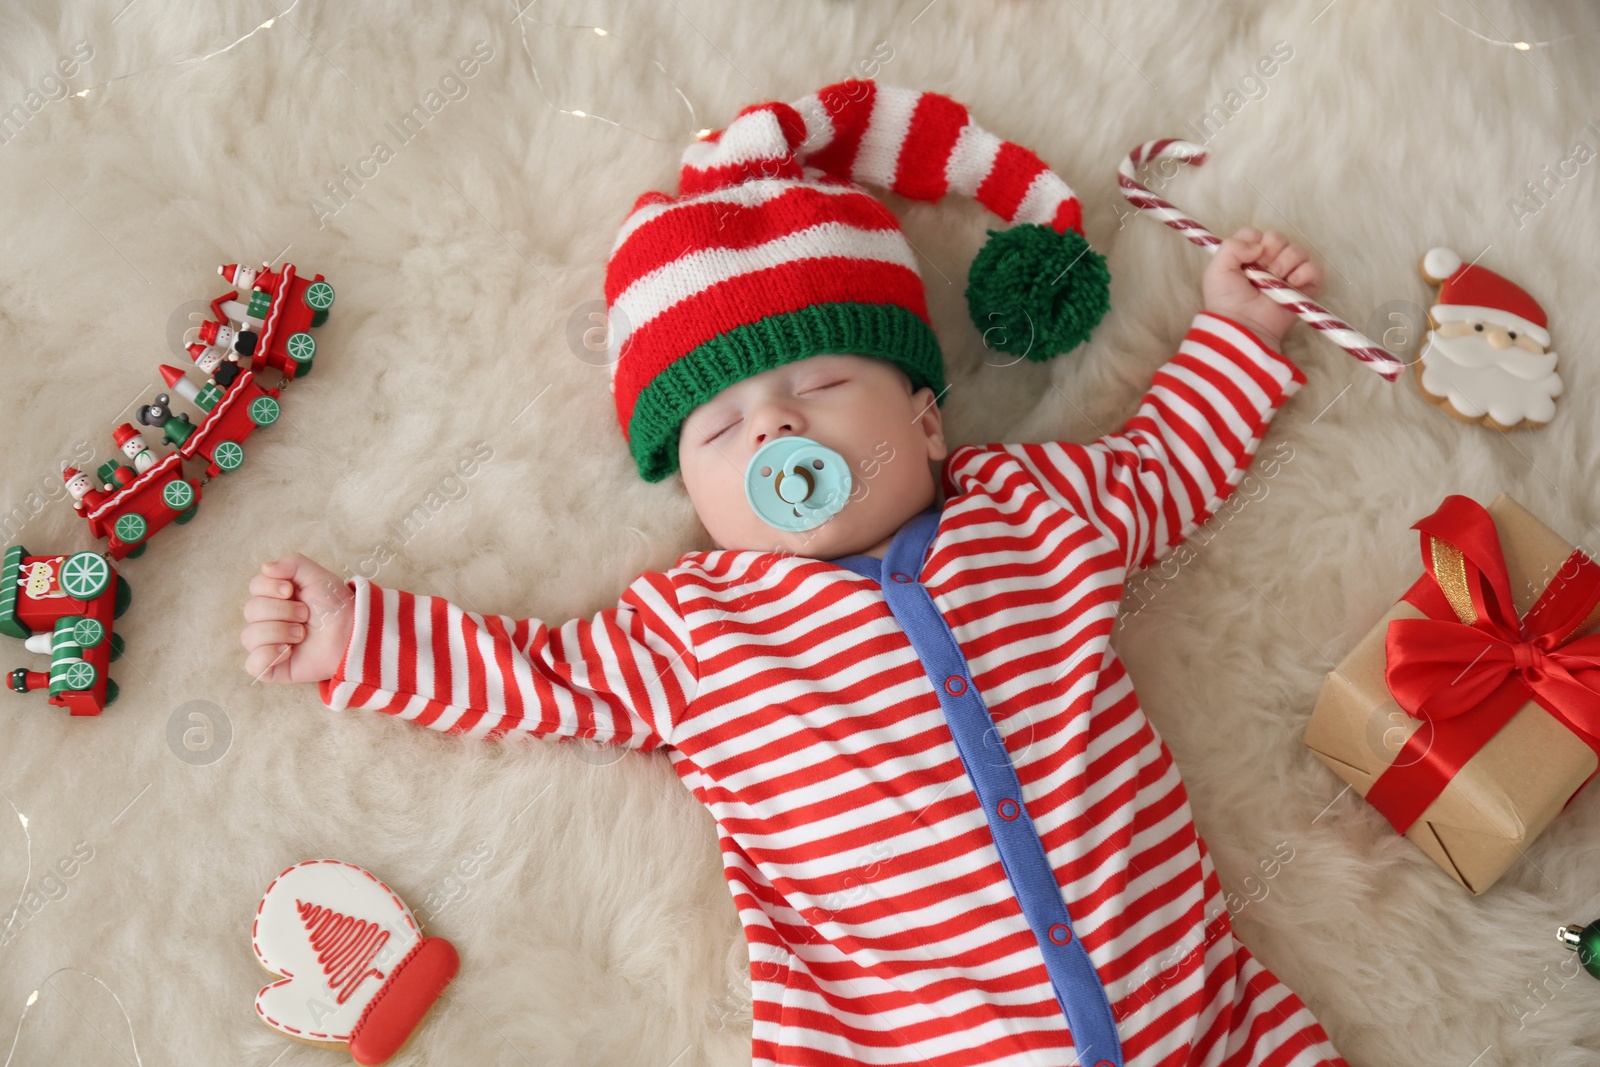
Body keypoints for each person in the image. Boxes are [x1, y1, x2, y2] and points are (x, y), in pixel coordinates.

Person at [240, 79, 1347, 1067]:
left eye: (819, 383)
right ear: (696, 497)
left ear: (925, 422)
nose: (772, 425)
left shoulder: (1032, 505)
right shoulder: (698, 625)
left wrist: (1238, 333)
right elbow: (538, 674)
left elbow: (1164, 466)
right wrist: (356, 635)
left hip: (1208, 1017)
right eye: (718, 429)